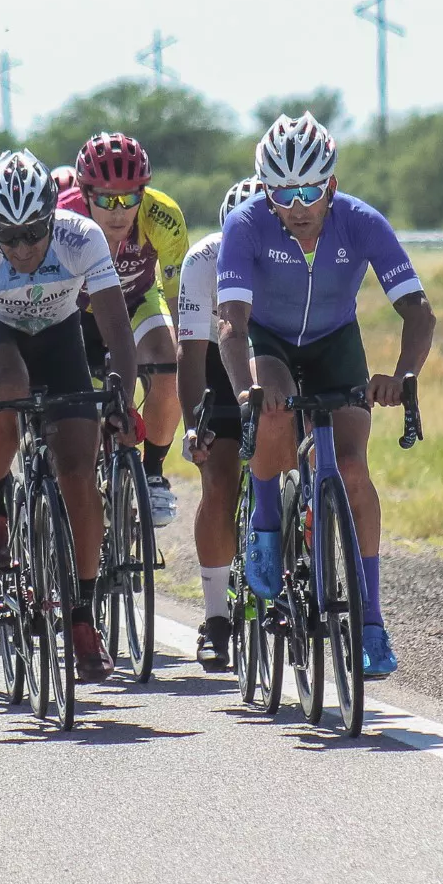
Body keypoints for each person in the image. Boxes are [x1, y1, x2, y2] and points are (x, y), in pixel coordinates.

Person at [216, 112, 436, 677]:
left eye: (310, 191)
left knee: (352, 469)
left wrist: (403, 375)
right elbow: (233, 325)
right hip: (270, 341)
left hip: (335, 342)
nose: (298, 206)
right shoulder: (245, 225)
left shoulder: (361, 222)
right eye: (282, 193)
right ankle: (267, 522)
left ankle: (371, 623)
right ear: (265, 190)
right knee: (272, 408)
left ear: (331, 185)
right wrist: (246, 392)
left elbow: (418, 312)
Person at [0, 150, 142, 683]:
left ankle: (82, 615)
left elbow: (117, 331)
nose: (23, 248)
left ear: (53, 218)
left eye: (34, 233)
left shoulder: (82, 237)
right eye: (8, 237)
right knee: (5, 386)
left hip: (60, 340)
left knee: (78, 476)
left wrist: (121, 399)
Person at [60, 132, 191, 526]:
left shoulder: (163, 216)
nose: (118, 212)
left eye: (129, 198)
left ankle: (153, 473)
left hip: (137, 300)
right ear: (85, 193)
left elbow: (180, 301)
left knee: (168, 362)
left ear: (143, 193)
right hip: (77, 310)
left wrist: (189, 357)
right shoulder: (62, 218)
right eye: (105, 200)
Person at [177, 177, 263, 670]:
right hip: (215, 358)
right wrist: (195, 426)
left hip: (271, 352)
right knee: (220, 477)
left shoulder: (294, 254)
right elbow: (190, 356)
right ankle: (215, 618)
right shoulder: (202, 260)